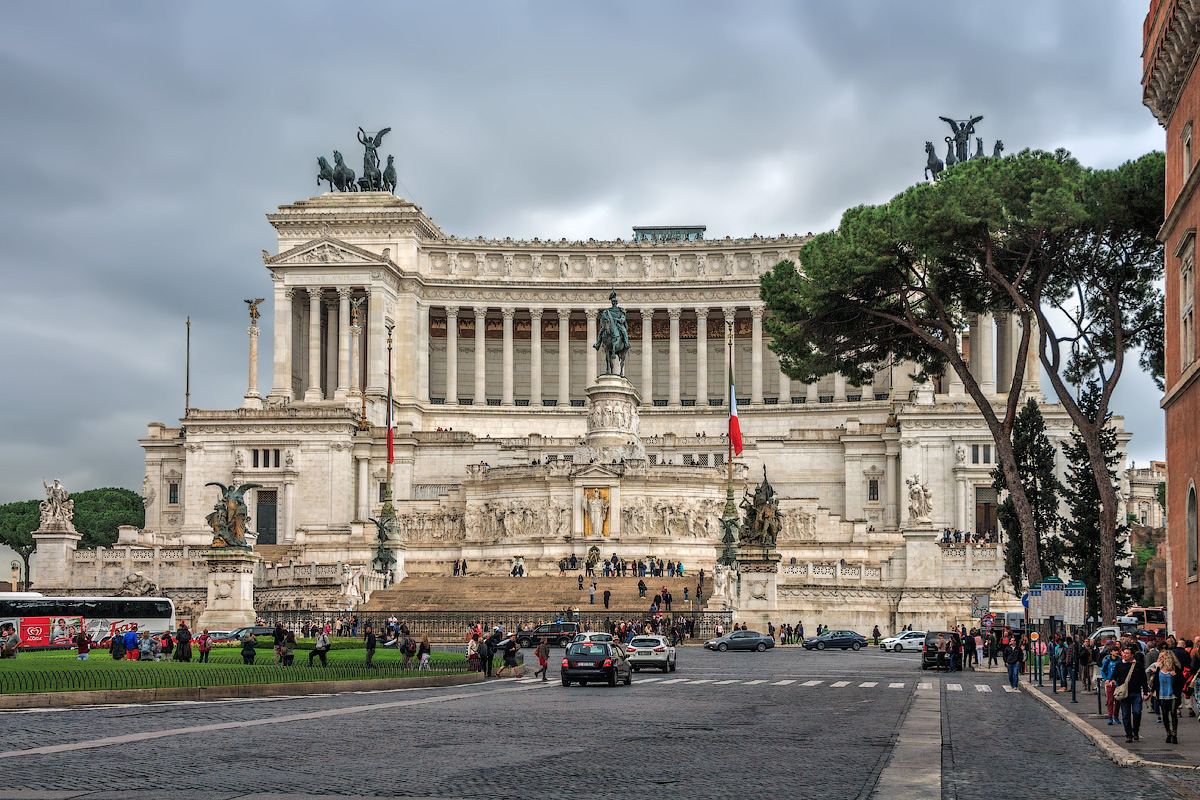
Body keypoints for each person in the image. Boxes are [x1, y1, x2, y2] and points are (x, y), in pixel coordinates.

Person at [1114, 644, 1148, 744]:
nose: (1124, 655)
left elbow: (1143, 680)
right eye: (1124, 653)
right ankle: (1128, 734)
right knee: (1125, 715)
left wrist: (1145, 692)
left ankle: (1135, 730)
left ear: (1132, 655)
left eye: (1127, 653)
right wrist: (1110, 680)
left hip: (1136, 693)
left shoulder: (1138, 665)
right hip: (1124, 694)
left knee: (1137, 713)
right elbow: (1113, 676)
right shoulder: (1119, 665)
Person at [1153, 649, 1183, 743]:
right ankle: (1168, 732)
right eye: (1160, 657)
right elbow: (1156, 682)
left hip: (1173, 694)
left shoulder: (1175, 668)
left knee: (1173, 712)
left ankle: (1174, 733)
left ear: (1168, 657)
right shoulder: (1159, 668)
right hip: (1162, 694)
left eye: (1163, 656)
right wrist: (1152, 692)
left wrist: (1175, 676)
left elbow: (1182, 681)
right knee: (1165, 714)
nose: (1161, 658)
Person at [1101, 645, 1121, 724]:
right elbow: (1103, 670)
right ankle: (1110, 716)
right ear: (1111, 652)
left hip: (1118, 683)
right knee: (1110, 700)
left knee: (1117, 701)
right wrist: (1106, 679)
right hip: (1110, 683)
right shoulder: (1107, 661)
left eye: (1117, 651)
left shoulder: (1120, 660)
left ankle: (1116, 716)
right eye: (1115, 651)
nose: (1117, 652)